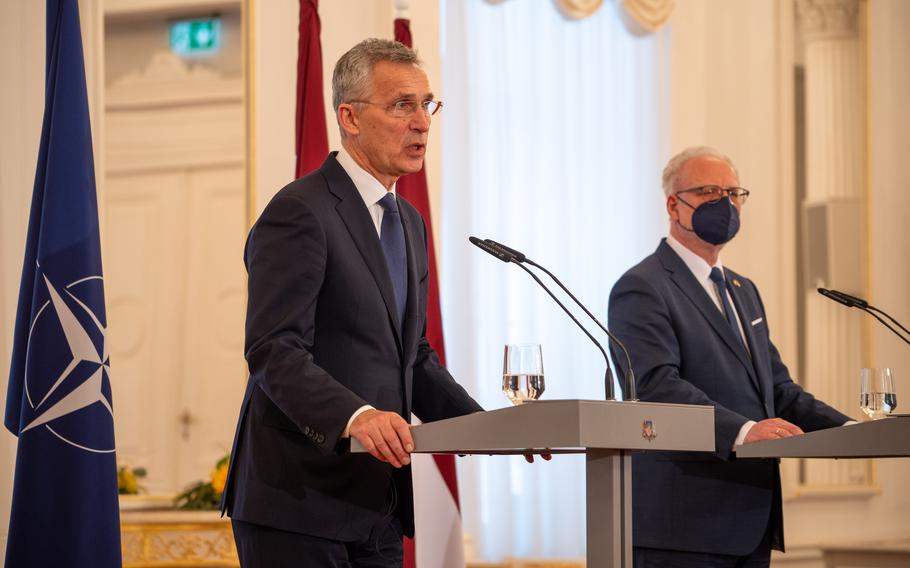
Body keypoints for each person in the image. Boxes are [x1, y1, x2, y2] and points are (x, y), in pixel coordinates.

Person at [221, 38, 483, 567]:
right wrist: (355, 414)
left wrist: (485, 427)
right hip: (297, 502)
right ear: (350, 116)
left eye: (426, 104)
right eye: (401, 105)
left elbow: (415, 356)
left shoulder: (407, 221)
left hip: (377, 503)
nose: (422, 123)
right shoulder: (300, 211)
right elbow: (275, 348)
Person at [608, 146, 853, 567]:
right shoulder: (642, 286)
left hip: (749, 521)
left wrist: (849, 431)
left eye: (733, 192)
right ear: (674, 204)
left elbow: (778, 390)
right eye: (708, 191)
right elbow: (654, 386)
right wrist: (743, 431)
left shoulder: (743, 290)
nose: (725, 203)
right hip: (682, 526)